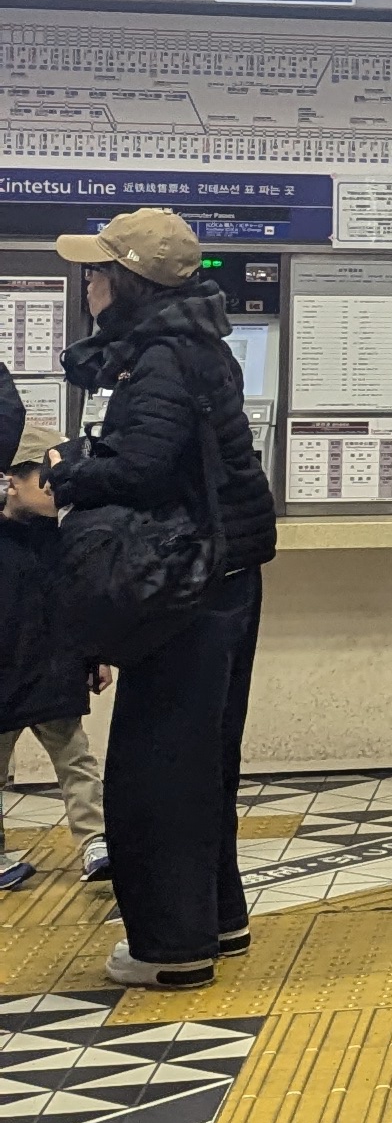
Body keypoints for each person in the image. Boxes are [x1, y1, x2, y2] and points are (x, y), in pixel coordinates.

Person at [2, 209, 273, 991]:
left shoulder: (160, 357)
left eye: (96, 270)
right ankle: (217, 917)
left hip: (182, 588)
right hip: (222, 578)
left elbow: (146, 466)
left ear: (125, 280)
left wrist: (64, 470)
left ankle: (172, 948)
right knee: (202, 760)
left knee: (156, 770)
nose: (87, 282)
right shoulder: (200, 345)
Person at [0, 347, 102, 890]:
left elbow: (80, 598)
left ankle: (94, 840)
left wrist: (95, 656)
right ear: (12, 480)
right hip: (5, 671)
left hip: (54, 666)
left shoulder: (65, 536)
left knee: (75, 757)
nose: (59, 491)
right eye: (48, 479)